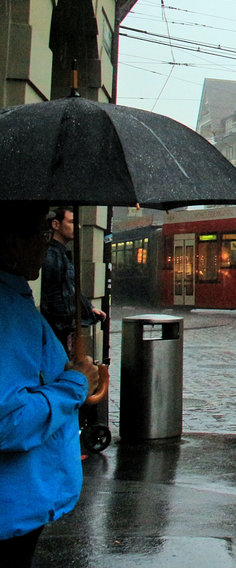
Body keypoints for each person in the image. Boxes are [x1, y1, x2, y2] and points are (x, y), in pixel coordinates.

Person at [0, 201, 100, 567]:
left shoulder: (16, 298)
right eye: (42, 232)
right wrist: (76, 383)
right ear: (13, 241)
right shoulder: (6, 310)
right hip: (11, 509)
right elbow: (8, 419)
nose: (46, 243)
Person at [39, 208, 105, 352]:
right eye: (72, 222)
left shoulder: (61, 254)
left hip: (62, 327)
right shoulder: (52, 255)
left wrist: (89, 308)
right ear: (56, 225)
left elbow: (71, 289)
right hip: (56, 328)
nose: (78, 227)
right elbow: (50, 294)